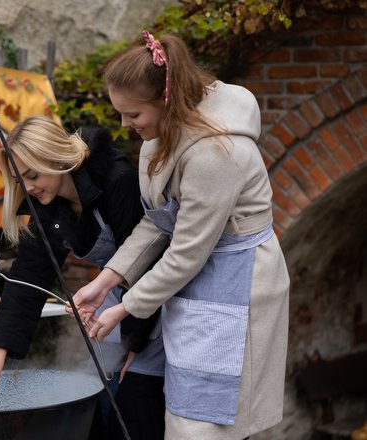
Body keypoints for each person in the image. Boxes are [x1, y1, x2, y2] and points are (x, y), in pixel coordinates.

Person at [70, 31, 290, 440]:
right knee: (189, 412)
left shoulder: (215, 154)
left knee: (206, 422)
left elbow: (186, 254)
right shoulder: (161, 137)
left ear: (166, 100)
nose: (124, 124)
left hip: (237, 285)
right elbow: (158, 221)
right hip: (198, 281)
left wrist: (123, 309)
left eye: (132, 114)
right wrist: (107, 280)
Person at [0, 115, 166, 439]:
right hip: (115, 304)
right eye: (21, 179)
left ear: (58, 159)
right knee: (97, 406)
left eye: (33, 175)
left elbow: (148, 260)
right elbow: (27, 283)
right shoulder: (49, 206)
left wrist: (134, 343)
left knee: (136, 408)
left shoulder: (117, 179)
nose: (28, 187)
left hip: (156, 300)